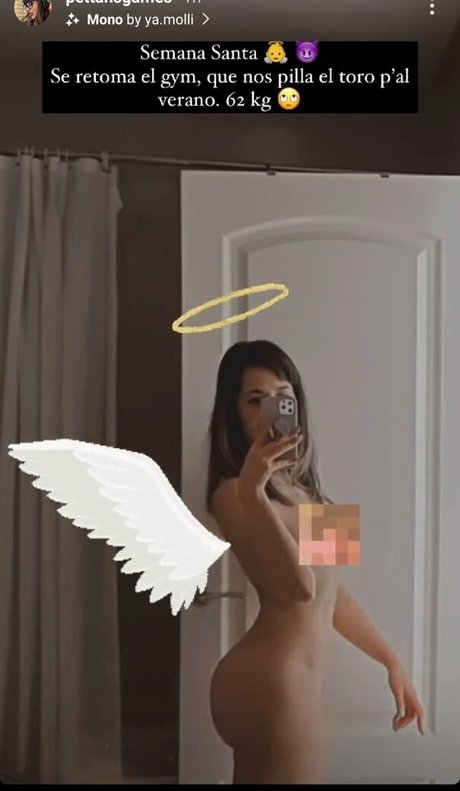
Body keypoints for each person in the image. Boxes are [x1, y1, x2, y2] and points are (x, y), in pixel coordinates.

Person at [206, 339, 424, 784]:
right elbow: (300, 588)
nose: (270, 410)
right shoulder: (232, 491)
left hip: (299, 680)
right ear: (233, 413)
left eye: (282, 397)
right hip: (272, 679)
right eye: (255, 400)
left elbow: (331, 591)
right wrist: (254, 491)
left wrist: (391, 660)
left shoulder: (308, 489)